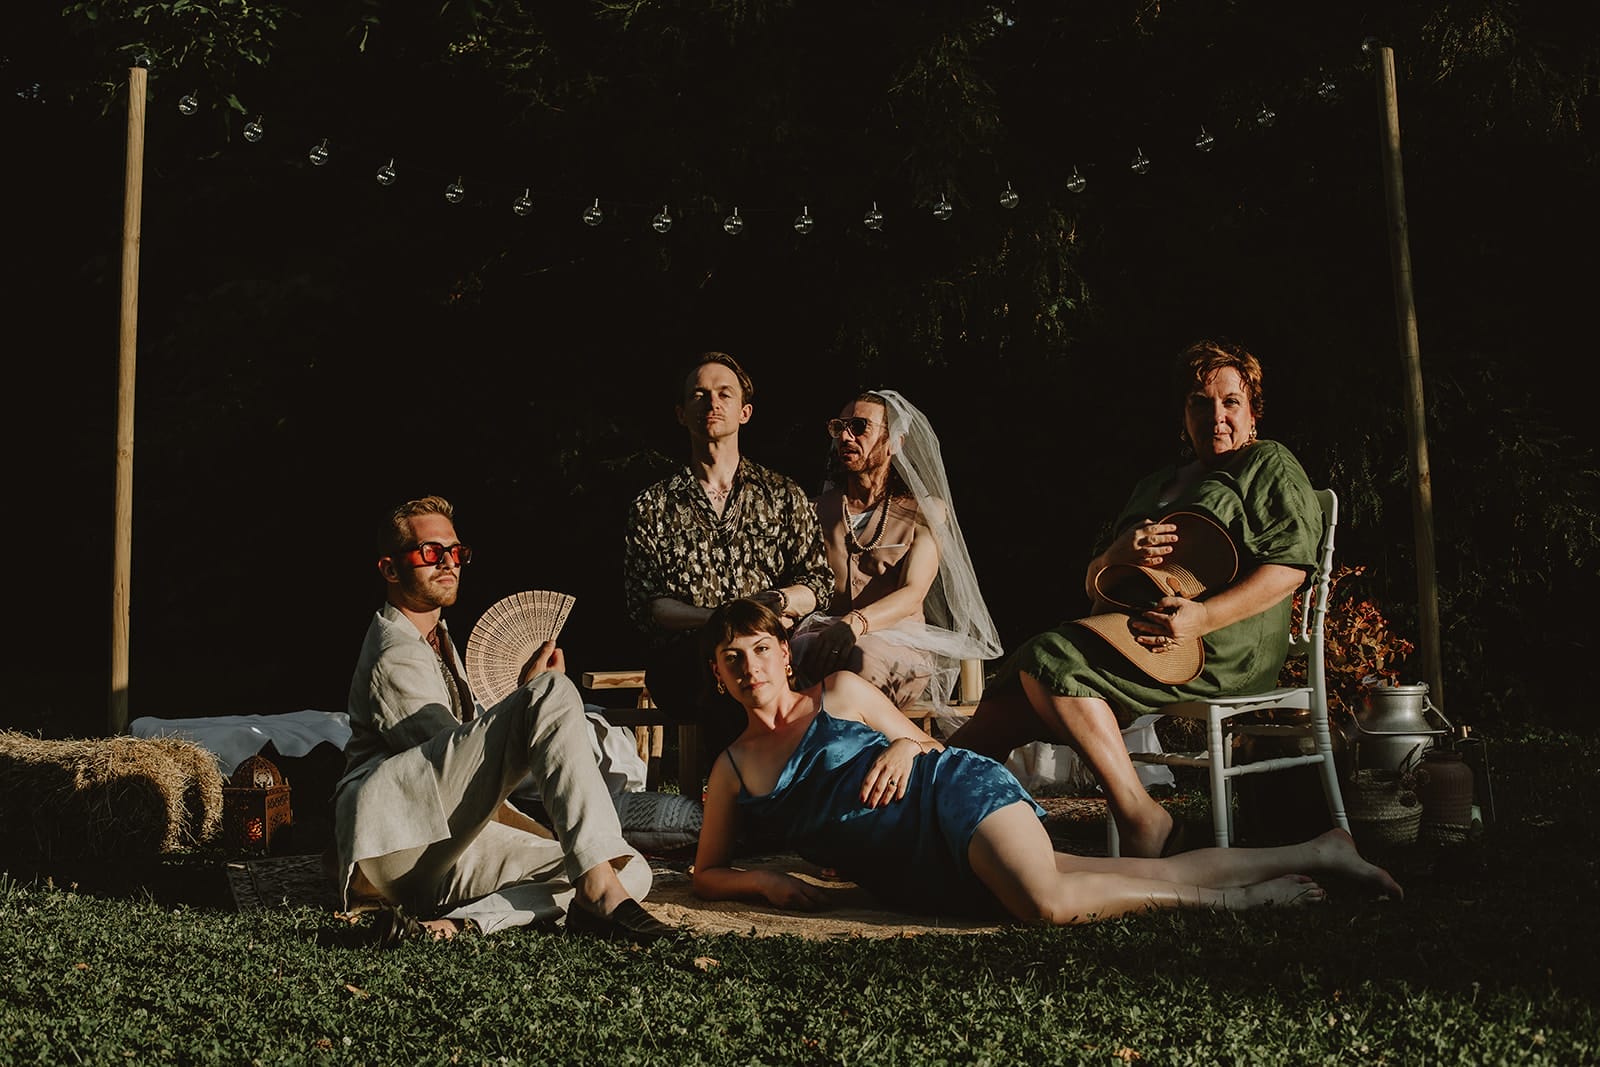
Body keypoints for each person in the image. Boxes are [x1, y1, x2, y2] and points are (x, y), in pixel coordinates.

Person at [692, 600, 1401, 923]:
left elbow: (936, 747)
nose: (749, 665)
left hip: (954, 798)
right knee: (1134, 874)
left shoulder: (840, 690)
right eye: (732, 659)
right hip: (917, 872)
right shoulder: (731, 767)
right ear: (719, 677)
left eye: (759, 649)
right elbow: (705, 872)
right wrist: (760, 881)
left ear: (784, 653)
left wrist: (906, 741)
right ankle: (1323, 849)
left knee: (1051, 902)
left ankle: (1240, 903)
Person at [946, 339, 1324, 858]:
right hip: (1133, 631)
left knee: (1049, 658)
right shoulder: (1156, 483)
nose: (1216, 416)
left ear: (1253, 412)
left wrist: (1203, 617)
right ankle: (928, 812)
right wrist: (1115, 553)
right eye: (1200, 402)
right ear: (1182, 414)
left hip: (1220, 641)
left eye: (1230, 402)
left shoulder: (1264, 464)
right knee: (1010, 698)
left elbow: (1290, 569)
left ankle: (1142, 817)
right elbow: (1096, 584)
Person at [334, 495, 675, 945]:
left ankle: (452, 927)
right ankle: (593, 894)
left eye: (456, 552)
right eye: (431, 552)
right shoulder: (390, 652)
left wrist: (568, 841)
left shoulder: (440, 638)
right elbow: (461, 774)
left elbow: (466, 771)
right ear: (390, 569)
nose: (448, 563)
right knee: (553, 691)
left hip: (437, 853)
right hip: (391, 839)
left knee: (620, 868)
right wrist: (529, 700)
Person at [623, 351, 835, 769]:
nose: (712, 403)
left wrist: (775, 603)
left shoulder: (782, 495)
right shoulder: (652, 505)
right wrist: (721, 620)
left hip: (772, 651)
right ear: (681, 414)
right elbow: (647, 604)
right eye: (699, 395)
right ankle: (753, 794)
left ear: (745, 412)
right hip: (689, 659)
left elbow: (818, 583)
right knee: (728, 670)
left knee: (765, 671)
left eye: (724, 394)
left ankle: (759, 793)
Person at [791, 390, 1002, 714]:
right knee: (789, 654)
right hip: (825, 635)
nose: (846, 436)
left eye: (859, 426)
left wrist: (854, 624)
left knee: (857, 658)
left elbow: (913, 592)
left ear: (895, 443)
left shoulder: (925, 510)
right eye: (839, 427)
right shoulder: (815, 510)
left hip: (899, 644)